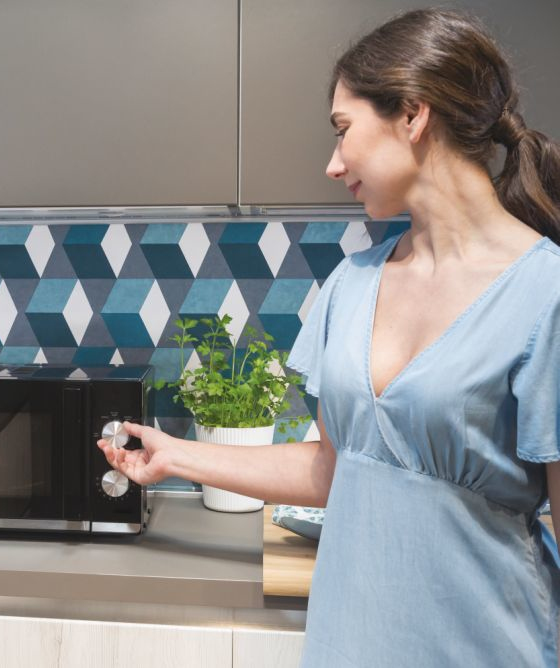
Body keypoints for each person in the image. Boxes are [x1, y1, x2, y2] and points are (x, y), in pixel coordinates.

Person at [98, 9, 560, 667]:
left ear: (413, 113)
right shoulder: (352, 283)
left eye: (344, 130)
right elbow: (338, 466)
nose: (333, 163)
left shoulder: (545, 293)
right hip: (349, 643)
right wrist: (175, 456)